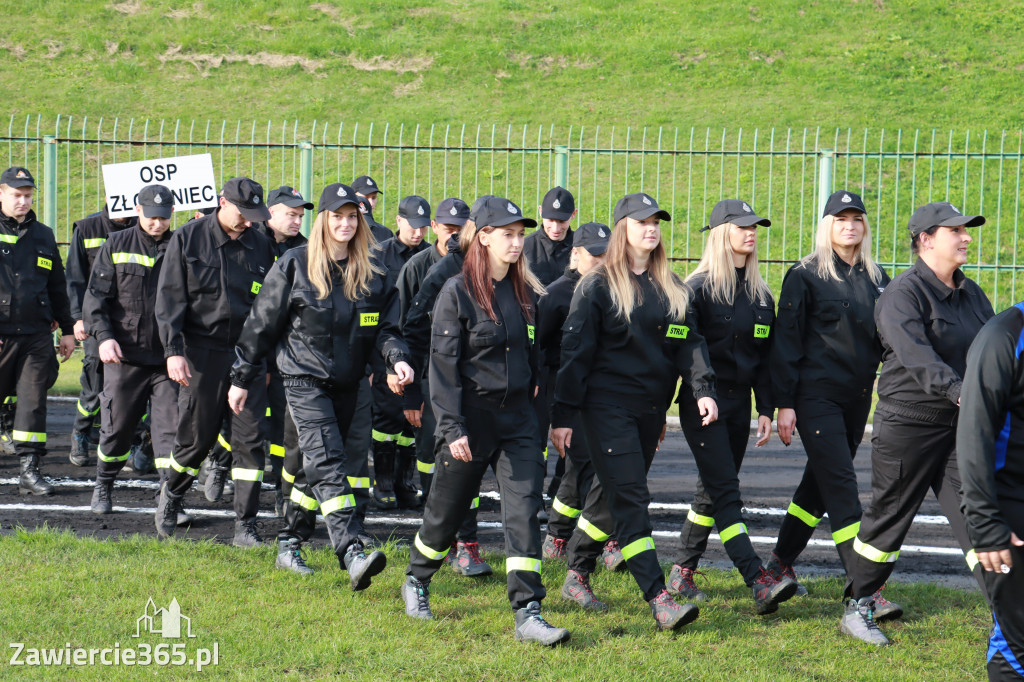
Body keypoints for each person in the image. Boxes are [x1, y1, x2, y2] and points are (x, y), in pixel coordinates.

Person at [401, 195, 571, 647]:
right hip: (470, 421)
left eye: (521, 235)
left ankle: (528, 610)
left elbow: (534, 351)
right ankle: (417, 579)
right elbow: (442, 368)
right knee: (445, 514)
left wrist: (534, 392)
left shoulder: (524, 292)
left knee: (523, 514)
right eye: (508, 235)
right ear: (484, 238)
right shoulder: (456, 291)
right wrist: (452, 429)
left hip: (517, 422)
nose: (518, 243)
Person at [227, 182, 413, 587]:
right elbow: (260, 325)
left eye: (352, 217)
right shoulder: (294, 264)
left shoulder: (375, 272)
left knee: (309, 468)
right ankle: (350, 549)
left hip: (350, 383)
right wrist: (242, 377)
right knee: (328, 461)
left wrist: (396, 359)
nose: (345, 224)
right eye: (336, 216)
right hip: (302, 380)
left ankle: (289, 542)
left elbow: (388, 330)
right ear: (322, 220)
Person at [550, 192, 712, 631]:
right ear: (623, 227)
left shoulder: (672, 287)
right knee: (632, 499)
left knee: (611, 492)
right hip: (604, 409)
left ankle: (577, 573)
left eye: (656, 221)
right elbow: (575, 354)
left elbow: (688, 343)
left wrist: (702, 389)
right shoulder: (598, 285)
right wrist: (562, 415)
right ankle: (659, 597)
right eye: (642, 221)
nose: (651, 227)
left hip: (649, 411)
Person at [841, 201, 993, 645]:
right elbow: (915, 356)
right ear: (925, 240)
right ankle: (859, 606)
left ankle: (1008, 609)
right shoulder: (901, 295)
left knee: (979, 516)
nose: (966, 237)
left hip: (960, 427)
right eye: (956, 231)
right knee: (889, 518)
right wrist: (959, 390)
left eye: (967, 231)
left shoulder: (973, 295)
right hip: (909, 426)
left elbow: (990, 351)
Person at [765, 191, 896, 611]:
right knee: (841, 485)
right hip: (814, 396)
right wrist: (784, 402)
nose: (850, 226)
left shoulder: (878, 277)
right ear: (827, 226)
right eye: (841, 219)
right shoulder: (804, 275)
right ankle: (864, 588)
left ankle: (780, 563)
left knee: (819, 485)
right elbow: (785, 343)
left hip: (858, 397)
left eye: (856, 218)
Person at [665, 199, 797, 614]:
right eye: (741, 226)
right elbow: (684, 351)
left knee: (713, 490)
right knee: (726, 491)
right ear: (722, 233)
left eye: (755, 226)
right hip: (703, 403)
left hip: (741, 406)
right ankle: (757, 578)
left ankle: (682, 573)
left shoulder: (761, 295)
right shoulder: (697, 289)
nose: (751, 232)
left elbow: (765, 358)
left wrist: (766, 408)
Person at [153, 177, 276, 547]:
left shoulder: (261, 245)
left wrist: (264, 362)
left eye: (254, 215)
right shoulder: (188, 239)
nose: (248, 222)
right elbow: (169, 300)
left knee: (251, 442)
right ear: (222, 203)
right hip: (200, 354)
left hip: (246, 356)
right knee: (197, 437)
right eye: (243, 213)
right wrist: (173, 351)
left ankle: (246, 526)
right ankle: (171, 496)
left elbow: (268, 310)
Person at [400, 197, 493, 576]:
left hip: (477, 389)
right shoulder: (439, 273)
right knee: (440, 463)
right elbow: (412, 330)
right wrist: (413, 392)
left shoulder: (498, 273)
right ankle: (443, 541)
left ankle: (465, 545)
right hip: (436, 382)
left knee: (465, 465)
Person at [83, 185, 178, 516]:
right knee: (117, 427)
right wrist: (104, 336)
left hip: (168, 360)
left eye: (164, 218)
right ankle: (104, 484)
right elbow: (96, 298)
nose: (157, 224)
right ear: (138, 210)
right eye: (151, 217)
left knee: (170, 433)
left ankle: (169, 499)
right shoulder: (117, 244)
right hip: (125, 357)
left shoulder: (181, 246)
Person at [538, 223, 620, 571]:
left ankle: (607, 539)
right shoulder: (557, 294)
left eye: (607, 254)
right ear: (576, 254)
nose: (602, 261)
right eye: (595, 254)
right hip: (570, 392)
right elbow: (538, 348)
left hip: (608, 392)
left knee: (609, 468)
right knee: (581, 467)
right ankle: (559, 537)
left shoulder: (617, 290)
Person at [958, 303, 1024, 680]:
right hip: (1013, 513)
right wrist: (985, 525)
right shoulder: (1004, 335)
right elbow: (973, 434)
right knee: (1017, 646)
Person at [0, 166, 75, 495]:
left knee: (32, 402)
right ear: (1, 193)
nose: (23, 201)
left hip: (36, 334)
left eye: (28, 195)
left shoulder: (43, 234)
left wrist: (69, 330)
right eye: (17, 195)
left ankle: (29, 471)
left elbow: (58, 285)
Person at [369, 195, 431, 509]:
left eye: (423, 226)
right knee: (387, 420)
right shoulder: (378, 255)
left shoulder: (431, 257)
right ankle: (382, 483)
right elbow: (372, 312)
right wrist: (382, 365)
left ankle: (403, 482)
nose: (417, 233)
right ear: (398, 221)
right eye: (412, 225)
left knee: (411, 424)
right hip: (387, 351)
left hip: (417, 351)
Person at [65, 203, 137, 467]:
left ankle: (131, 442)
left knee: (131, 386)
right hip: (96, 319)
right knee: (95, 382)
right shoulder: (87, 228)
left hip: (131, 322)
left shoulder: (144, 227)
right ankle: (81, 433)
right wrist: (77, 317)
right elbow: (75, 277)